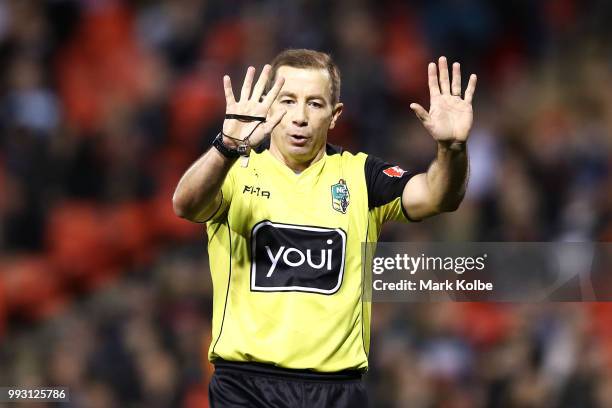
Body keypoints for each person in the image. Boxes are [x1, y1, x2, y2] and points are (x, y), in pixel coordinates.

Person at [172, 49, 476, 407]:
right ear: (268, 107)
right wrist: (226, 147)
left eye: (315, 104)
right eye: (287, 100)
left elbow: (440, 195)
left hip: (337, 391)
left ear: (335, 116)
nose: (300, 117)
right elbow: (185, 204)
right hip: (246, 386)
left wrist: (451, 148)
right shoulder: (234, 172)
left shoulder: (362, 177)